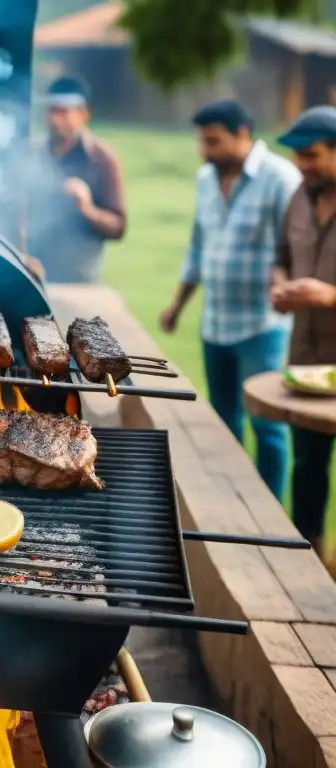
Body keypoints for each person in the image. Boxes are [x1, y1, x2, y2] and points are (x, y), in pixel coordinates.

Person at [160, 100, 302, 501]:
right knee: (223, 420)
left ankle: (270, 508)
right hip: (215, 322)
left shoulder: (280, 177)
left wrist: (287, 286)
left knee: (268, 424)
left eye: (214, 141)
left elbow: (293, 248)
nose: (205, 151)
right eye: (202, 142)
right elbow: (198, 247)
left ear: (243, 134)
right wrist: (177, 305)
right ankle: (233, 500)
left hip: (263, 325)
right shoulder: (207, 178)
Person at [270, 105, 336, 554]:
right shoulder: (298, 195)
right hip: (306, 359)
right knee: (307, 463)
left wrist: (328, 296)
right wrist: (280, 286)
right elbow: (280, 256)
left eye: (312, 156)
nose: (302, 166)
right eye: (297, 157)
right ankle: (307, 553)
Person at [25, 75, 126, 283]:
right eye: (51, 110)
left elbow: (118, 227)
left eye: (64, 111)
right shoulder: (32, 153)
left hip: (79, 279)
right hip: (32, 274)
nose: (55, 120)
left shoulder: (102, 159)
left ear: (84, 113)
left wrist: (86, 208)